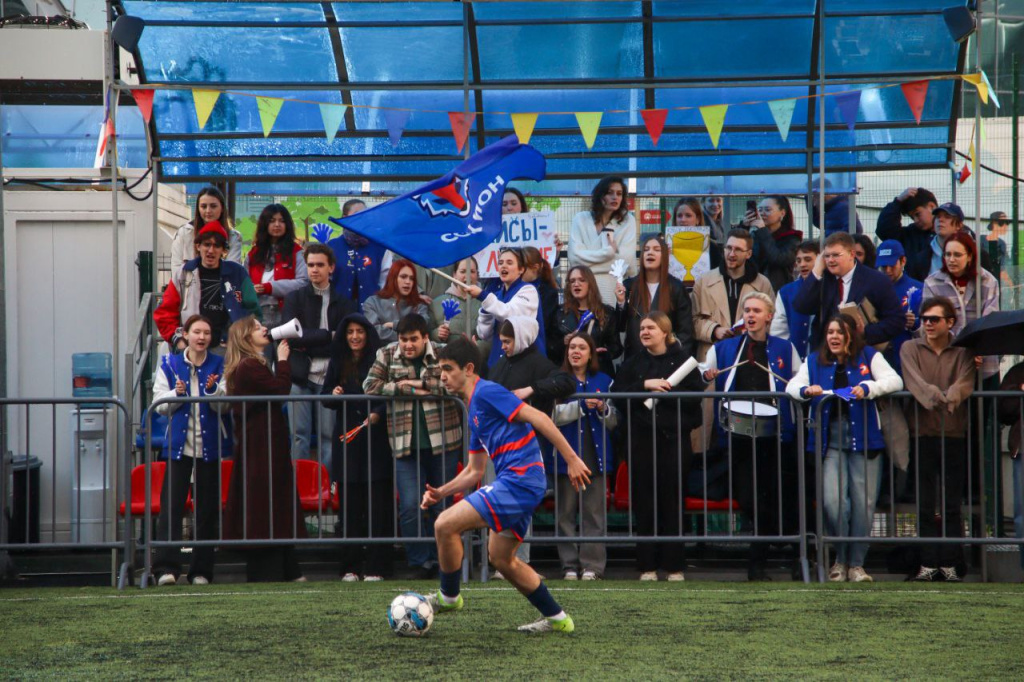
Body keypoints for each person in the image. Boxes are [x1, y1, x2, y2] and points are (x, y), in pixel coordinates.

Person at [423, 337, 591, 634]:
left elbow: (538, 416)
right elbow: (475, 471)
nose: (443, 376)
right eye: (440, 370)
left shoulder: (487, 392)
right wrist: (441, 492)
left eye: (448, 369)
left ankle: (448, 597)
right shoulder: (473, 408)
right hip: (517, 482)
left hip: (520, 480)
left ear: (470, 369)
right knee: (502, 558)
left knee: (444, 525)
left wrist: (572, 458)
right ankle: (558, 619)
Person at [787, 314, 902, 583]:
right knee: (833, 501)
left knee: (864, 504)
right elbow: (793, 386)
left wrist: (868, 387)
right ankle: (840, 558)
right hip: (830, 443)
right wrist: (806, 390)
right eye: (830, 332)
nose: (834, 337)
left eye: (840, 332)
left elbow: (895, 381)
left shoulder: (868, 355)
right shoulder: (815, 360)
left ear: (851, 334)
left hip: (864, 439)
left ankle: (857, 564)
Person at [702, 292, 802, 580]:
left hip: (776, 439)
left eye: (757, 310)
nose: (751, 314)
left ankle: (758, 565)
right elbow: (701, 372)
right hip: (737, 439)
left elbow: (799, 381)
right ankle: (761, 559)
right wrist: (706, 375)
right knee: (750, 499)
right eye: (747, 310)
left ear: (769, 316)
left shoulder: (785, 348)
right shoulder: (726, 349)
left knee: (775, 499)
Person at [363, 313, 461, 577]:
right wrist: (407, 389)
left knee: (444, 507)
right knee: (409, 506)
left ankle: (445, 562)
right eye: (404, 339)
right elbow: (369, 385)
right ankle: (420, 562)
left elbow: (452, 387)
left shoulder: (444, 352)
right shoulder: (386, 353)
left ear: (425, 337)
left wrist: (416, 383)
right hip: (403, 443)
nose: (408, 344)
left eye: (413, 339)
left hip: (444, 442)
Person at [613, 312, 703, 581]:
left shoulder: (685, 363)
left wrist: (668, 393)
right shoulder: (633, 363)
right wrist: (644, 385)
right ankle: (647, 566)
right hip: (641, 441)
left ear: (665, 331)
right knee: (645, 502)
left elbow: (695, 399)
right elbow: (617, 393)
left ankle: (674, 566)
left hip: (673, 441)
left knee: (672, 501)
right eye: (641, 328)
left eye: (650, 327)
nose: (645, 332)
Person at [487, 316, 575, 572]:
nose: (503, 346)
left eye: (507, 341)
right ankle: (503, 561)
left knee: (516, 505)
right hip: (498, 447)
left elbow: (565, 382)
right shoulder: (501, 364)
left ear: (522, 338)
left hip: (522, 450)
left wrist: (531, 390)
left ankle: (517, 560)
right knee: (500, 504)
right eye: (501, 341)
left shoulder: (538, 363)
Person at [222, 316, 306, 582]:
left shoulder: (249, 365)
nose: (264, 330)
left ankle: (288, 568)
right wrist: (282, 360)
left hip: (265, 444)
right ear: (246, 337)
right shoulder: (249, 366)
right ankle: (274, 568)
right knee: (266, 504)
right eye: (257, 328)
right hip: (261, 447)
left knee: (273, 502)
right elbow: (280, 390)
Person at [151, 315, 231, 586]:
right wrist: (176, 393)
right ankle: (165, 569)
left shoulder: (220, 364)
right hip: (177, 447)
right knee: (171, 508)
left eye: (207, 333)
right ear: (185, 334)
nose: (202, 337)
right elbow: (159, 405)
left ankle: (201, 571)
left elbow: (226, 406)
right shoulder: (169, 363)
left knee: (207, 510)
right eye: (197, 332)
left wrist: (213, 393)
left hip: (209, 446)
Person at [900, 297, 976, 582]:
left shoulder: (963, 350)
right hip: (921, 431)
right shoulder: (910, 347)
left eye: (934, 319)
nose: (928, 324)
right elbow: (913, 379)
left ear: (950, 322)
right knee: (925, 502)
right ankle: (928, 562)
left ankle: (951, 563)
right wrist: (937, 396)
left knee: (952, 503)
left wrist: (950, 397)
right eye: (924, 319)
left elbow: (966, 380)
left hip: (954, 431)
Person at [322, 313, 393, 582]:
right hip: (348, 443)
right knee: (350, 509)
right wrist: (333, 395)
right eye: (350, 331)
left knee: (378, 507)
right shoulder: (337, 360)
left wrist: (378, 412)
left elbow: (388, 393)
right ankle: (349, 567)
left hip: (376, 443)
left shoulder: (380, 358)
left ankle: (378, 566)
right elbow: (325, 396)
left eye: (359, 331)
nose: (354, 336)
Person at [282, 243, 356, 466]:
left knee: (328, 436)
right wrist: (328, 335)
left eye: (320, 265)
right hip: (300, 374)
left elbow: (345, 341)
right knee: (299, 435)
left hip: (330, 376)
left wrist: (310, 339)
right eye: (310, 265)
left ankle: (327, 491)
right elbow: (291, 336)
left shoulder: (344, 302)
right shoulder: (295, 298)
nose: (314, 269)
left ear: (331, 267)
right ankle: (299, 490)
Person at [552, 333, 616, 581]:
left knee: (594, 513)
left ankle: (593, 566)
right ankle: (568, 565)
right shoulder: (557, 380)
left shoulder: (604, 380)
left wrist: (603, 408)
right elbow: (550, 416)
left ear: (591, 354)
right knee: (564, 513)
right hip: (565, 457)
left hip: (595, 454)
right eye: (571, 347)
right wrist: (580, 407)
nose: (575, 351)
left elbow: (614, 421)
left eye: (581, 347)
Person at [154, 221, 260, 353]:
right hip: (190, 349)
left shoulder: (237, 273)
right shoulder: (184, 273)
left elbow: (252, 310)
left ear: (224, 250)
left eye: (216, 246)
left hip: (226, 349)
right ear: (198, 246)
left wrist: (241, 339)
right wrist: (178, 340)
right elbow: (164, 312)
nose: (211, 250)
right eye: (207, 244)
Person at [792, 232, 903, 350]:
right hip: (826, 353)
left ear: (851, 254)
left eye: (835, 255)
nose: (830, 260)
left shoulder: (876, 280)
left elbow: (897, 321)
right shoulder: (822, 278)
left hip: (861, 352)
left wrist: (864, 332)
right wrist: (817, 270)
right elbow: (801, 306)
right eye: (827, 256)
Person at [922, 231, 999, 380]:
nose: (951, 260)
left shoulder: (988, 281)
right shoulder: (932, 283)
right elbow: (929, 323)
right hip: (948, 364)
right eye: (947, 254)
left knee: (986, 401)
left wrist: (976, 351)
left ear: (969, 256)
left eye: (957, 255)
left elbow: (989, 320)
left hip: (983, 365)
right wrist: (962, 353)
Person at [692, 228, 774, 361]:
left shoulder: (763, 284)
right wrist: (714, 330)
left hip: (750, 355)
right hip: (713, 355)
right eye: (728, 248)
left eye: (738, 249)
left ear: (748, 254)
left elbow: (772, 320)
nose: (731, 253)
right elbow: (691, 320)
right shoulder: (703, 282)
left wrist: (752, 329)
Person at [616, 234, 696, 360]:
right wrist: (621, 303)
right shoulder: (630, 286)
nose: (650, 253)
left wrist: (677, 359)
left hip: (666, 359)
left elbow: (685, 331)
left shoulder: (676, 288)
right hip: (635, 360)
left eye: (656, 250)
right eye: (646, 249)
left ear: (664, 256)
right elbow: (620, 326)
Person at [465, 247, 545, 371]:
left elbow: (511, 314)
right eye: (500, 263)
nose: (503, 266)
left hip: (525, 366)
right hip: (499, 364)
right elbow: (484, 334)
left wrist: (483, 296)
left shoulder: (529, 291)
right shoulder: (496, 295)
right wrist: (485, 311)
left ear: (521, 269)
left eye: (509, 263)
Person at [568, 176, 638, 305]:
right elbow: (574, 259)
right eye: (610, 193)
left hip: (613, 292)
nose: (615, 197)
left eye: (619, 194)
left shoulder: (629, 221)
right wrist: (609, 253)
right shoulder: (580, 219)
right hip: (583, 293)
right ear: (600, 195)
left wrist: (587, 265)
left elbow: (625, 262)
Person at [548, 265, 621, 375]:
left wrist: (597, 353)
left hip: (597, 372)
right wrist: (563, 342)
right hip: (569, 374)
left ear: (590, 284)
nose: (576, 284)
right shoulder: (559, 313)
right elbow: (549, 348)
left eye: (582, 280)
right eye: (572, 281)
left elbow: (616, 348)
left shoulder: (606, 313)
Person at [246, 203, 308, 329]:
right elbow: (241, 282)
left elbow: (303, 283)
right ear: (265, 224)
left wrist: (268, 287)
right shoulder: (254, 253)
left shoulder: (297, 252)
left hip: (287, 313)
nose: (277, 225)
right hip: (257, 315)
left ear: (288, 225)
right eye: (272, 221)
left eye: (282, 221)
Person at [327, 199, 393, 309]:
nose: (361, 219)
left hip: (371, 313)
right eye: (357, 214)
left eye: (364, 215)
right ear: (344, 218)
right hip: (339, 311)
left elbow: (387, 282)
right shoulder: (332, 247)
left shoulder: (380, 248)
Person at [906, 202, 993, 281]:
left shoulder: (978, 254)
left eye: (947, 217)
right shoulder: (921, 257)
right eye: (937, 217)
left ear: (959, 225)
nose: (940, 220)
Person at [875, 239, 922, 373]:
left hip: (908, 358)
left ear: (903, 262)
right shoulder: (873, 288)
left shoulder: (918, 289)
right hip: (879, 360)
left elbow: (929, 324)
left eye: (892, 265)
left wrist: (915, 323)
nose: (888, 270)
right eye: (883, 266)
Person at [170, 186, 243, 269]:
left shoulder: (234, 237)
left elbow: (232, 271)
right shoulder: (184, 233)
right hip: (187, 282)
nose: (208, 211)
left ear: (222, 208)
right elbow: (176, 270)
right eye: (203, 206)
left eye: (213, 206)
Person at [429, 256, 488, 361]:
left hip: (477, 363)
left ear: (478, 275)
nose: (468, 276)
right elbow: (427, 334)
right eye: (463, 271)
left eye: (472, 271)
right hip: (449, 362)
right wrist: (437, 334)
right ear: (454, 275)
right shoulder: (437, 303)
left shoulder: (486, 303)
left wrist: (478, 347)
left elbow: (492, 338)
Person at [997, 359, 1024, 574]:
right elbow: (1003, 410)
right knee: (1022, 515)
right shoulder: (1017, 372)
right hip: (1022, 448)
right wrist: (1020, 390)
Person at [362, 260, 430, 345]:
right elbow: (374, 331)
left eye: (411, 278)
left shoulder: (419, 304)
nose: (408, 282)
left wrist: (394, 324)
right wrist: (405, 337)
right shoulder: (372, 302)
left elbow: (422, 324)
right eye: (403, 277)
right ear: (393, 278)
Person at [770, 240, 819, 359]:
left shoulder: (830, 287)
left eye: (808, 259)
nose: (802, 264)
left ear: (819, 261)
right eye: (798, 260)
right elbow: (779, 331)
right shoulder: (786, 292)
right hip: (796, 360)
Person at [875, 186, 939, 273]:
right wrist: (897, 202)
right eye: (912, 217)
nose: (915, 220)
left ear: (932, 207)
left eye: (917, 214)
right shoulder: (910, 235)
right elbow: (885, 231)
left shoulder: (952, 233)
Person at [748, 195, 802, 293]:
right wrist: (744, 227)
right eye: (760, 210)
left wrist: (763, 231)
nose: (762, 214)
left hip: (778, 291)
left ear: (782, 213)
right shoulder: (756, 235)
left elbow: (778, 258)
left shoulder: (792, 238)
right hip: (754, 289)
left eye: (768, 210)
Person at [665, 197, 723, 287]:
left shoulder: (712, 247)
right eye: (679, 216)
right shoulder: (665, 247)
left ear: (698, 219)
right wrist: (663, 259)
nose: (683, 219)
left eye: (688, 215)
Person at [522, 246, 560, 343]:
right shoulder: (515, 288)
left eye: (522, 267)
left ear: (535, 268)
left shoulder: (548, 292)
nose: (519, 270)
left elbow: (544, 322)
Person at [985, 211, 1014, 287]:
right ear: (993, 223)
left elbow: (1003, 267)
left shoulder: (1002, 244)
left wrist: (1010, 284)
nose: (1005, 226)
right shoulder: (981, 240)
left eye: (1006, 223)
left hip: (995, 280)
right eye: (1001, 222)